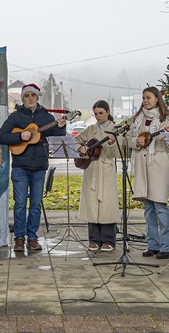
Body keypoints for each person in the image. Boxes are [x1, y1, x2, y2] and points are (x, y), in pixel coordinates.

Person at [0, 83, 67, 252]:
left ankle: (33, 237)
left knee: (35, 204)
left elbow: (58, 135)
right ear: (23, 98)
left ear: (37, 97)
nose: (30, 99)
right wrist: (20, 135)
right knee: (20, 203)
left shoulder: (46, 117)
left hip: (40, 166)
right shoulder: (15, 117)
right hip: (20, 165)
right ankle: (19, 238)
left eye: (33, 96)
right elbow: (1, 136)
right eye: (27, 96)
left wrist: (61, 126)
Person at [127, 86, 169, 260]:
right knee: (148, 207)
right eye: (143, 98)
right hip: (142, 164)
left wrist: (167, 136)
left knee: (160, 205)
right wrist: (136, 140)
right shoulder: (138, 119)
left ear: (157, 98)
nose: (145, 100)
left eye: (148, 97)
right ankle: (153, 244)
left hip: (158, 163)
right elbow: (128, 139)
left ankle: (168, 246)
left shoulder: (168, 119)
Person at [74, 100, 123, 252]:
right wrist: (81, 148)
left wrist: (113, 143)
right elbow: (75, 141)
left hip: (107, 168)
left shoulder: (115, 129)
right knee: (92, 205)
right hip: (92, 169)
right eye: (95, 114)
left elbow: (117, 153)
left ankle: (109, 239)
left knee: (107, 205)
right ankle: (94, 239)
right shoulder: (91, 129)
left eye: (101, 113)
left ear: (108, 112)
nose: (98, 116)